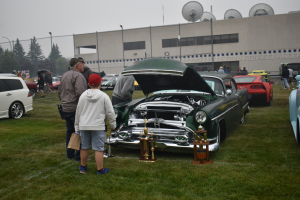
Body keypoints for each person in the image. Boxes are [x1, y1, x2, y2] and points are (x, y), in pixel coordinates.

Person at [75, 74, 116, 175]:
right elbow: (110, 112)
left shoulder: (83, 96)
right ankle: (100, 169)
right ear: (100, 83)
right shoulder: (104, 96)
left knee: (84, 147)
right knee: (99, 148)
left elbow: (78, 112)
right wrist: (113, 125)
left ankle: (83, 168)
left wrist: (77, 126)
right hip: (98, 126)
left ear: (88, 84)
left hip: (84, 125)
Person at [58, 58, 87, 162]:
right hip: (75, 108)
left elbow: (59, 92)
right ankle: (78, 157)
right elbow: (81, 93)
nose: (84, 66)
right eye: (83, 64)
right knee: (80, 132)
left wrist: (65, 102)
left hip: (65, 108)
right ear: (78, 65)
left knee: (70, 132)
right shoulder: (78, 76)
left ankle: (69, 154)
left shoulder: (64, 75)